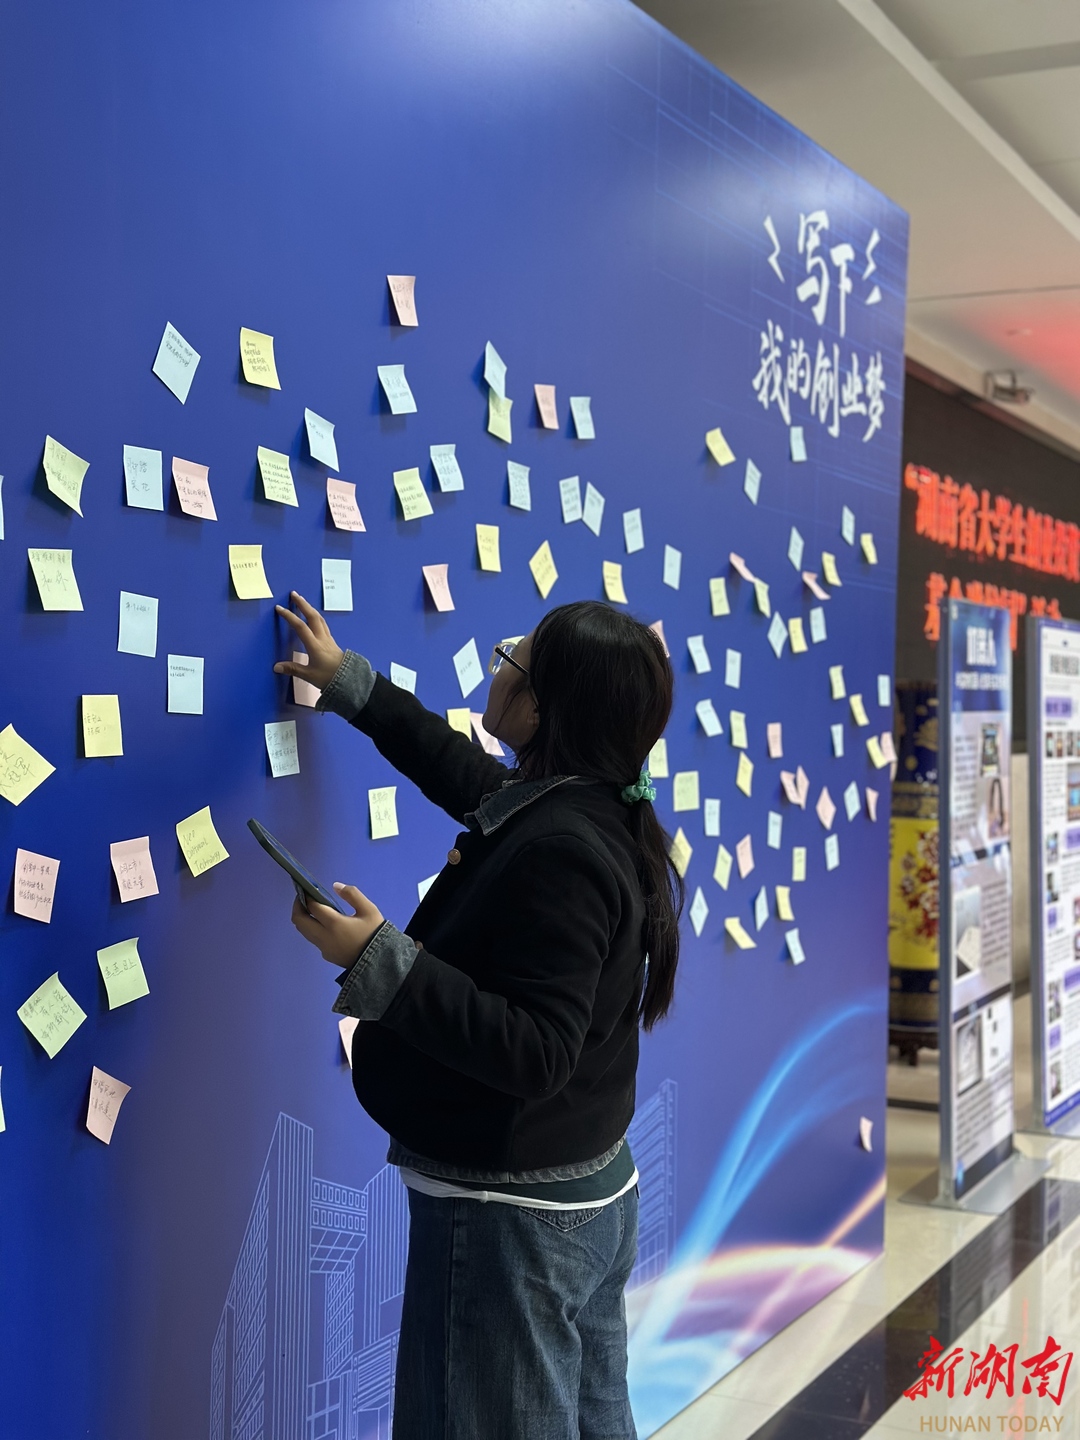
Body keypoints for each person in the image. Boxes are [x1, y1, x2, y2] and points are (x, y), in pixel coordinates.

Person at [273, 591, 683, 1440]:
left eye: (513, 662)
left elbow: (537, 1051)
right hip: (581, 1191)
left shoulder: (564, 848)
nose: (497, 671)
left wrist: (377, 957)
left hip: (517, 1219)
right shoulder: (585, 807)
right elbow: (463, 774)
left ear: (542, 708)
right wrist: (350, 683)